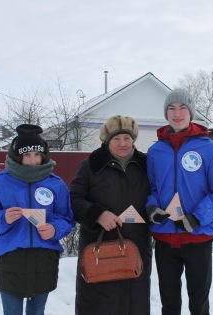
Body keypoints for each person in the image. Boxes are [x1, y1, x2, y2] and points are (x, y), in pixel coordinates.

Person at [146, 88, 213, 315]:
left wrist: (197, 218)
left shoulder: (209, 148)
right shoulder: (155, 151)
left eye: (182, 107)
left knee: (198, 304)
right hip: (165, 237)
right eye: (171, 108)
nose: (177, 113)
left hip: (198, 236)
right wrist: (152, 206)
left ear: (191, 113)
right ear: (166, 114)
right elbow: (152, 188)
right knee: (170, 303)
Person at [0, 124, 74, 315]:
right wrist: (3, 218)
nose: (32, 160)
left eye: (37, 155)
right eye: (27, 155)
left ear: (43, 155)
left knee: (37, 311)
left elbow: (66, 218)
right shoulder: (0, 182)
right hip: (11, 257)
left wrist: (54, 229)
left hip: (44, 258)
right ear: (17, 156)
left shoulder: (56, 183)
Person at [70, 115, 152, 315]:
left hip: (137, 246)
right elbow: (74, 199)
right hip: (99, 247)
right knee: (99, 304)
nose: (122, 143)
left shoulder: (146, 165)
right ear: (107, 140)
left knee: (135, 303)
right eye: (116, 138)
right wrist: (97, 214)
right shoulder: (91, 165)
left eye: (127, 138)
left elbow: (159, 196)